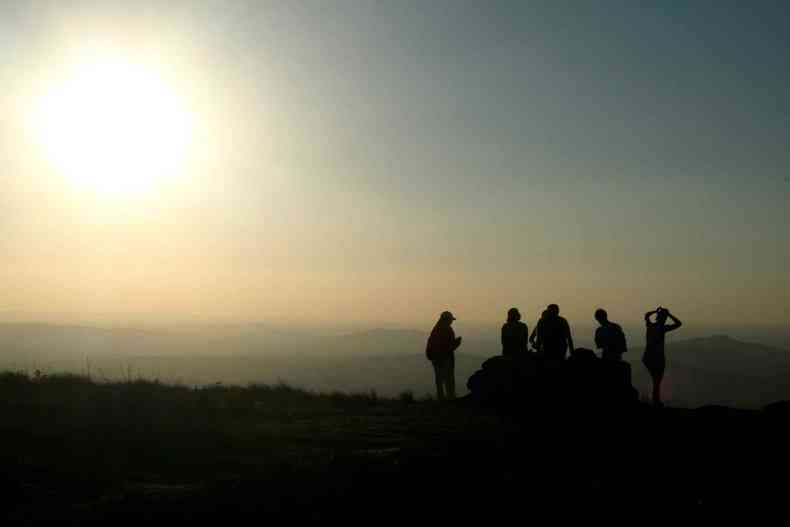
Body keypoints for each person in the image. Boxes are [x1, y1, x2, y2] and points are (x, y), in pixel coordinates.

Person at [642, 306, 682, 407]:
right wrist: (669, 314)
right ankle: (656, 402)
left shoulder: (650, 325)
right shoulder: (662, 328)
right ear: (664, 318)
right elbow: (678, 323)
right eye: (665, 318)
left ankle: (655, 401)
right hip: (657, 357)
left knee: (655, 380)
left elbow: (646, 315)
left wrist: (655, 311)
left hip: (647, 356)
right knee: (657, 380)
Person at [425, 311, 462, 400]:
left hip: (436, 359)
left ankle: (441, 399)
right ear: (446, 320)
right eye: (450, 320)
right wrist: (457, 343)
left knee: (439, 380)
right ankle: (450, 399)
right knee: (448, 380)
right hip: (445, 359)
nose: (451, 322)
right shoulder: (447, 330)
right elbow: (447, 347)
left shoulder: (436, 329)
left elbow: (432, 345)